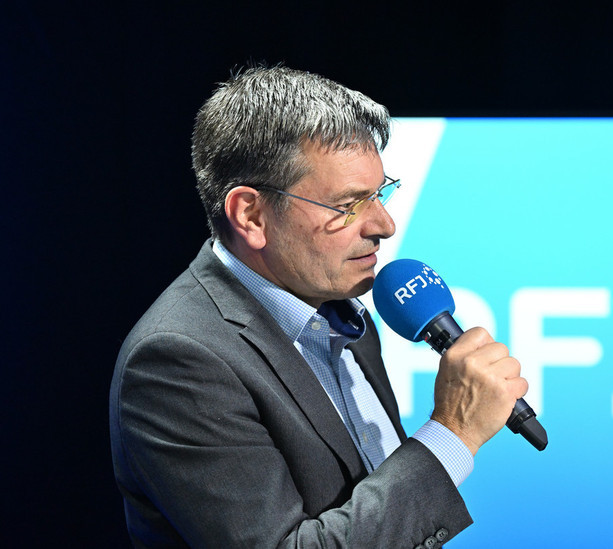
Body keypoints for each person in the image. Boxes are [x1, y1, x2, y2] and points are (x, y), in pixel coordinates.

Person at [110, 65, 528, 548]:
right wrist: (453, 433)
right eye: (348, 205)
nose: (385, 225)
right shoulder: (177, 361)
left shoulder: (344, 314)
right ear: (251, 215)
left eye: (380, 193)